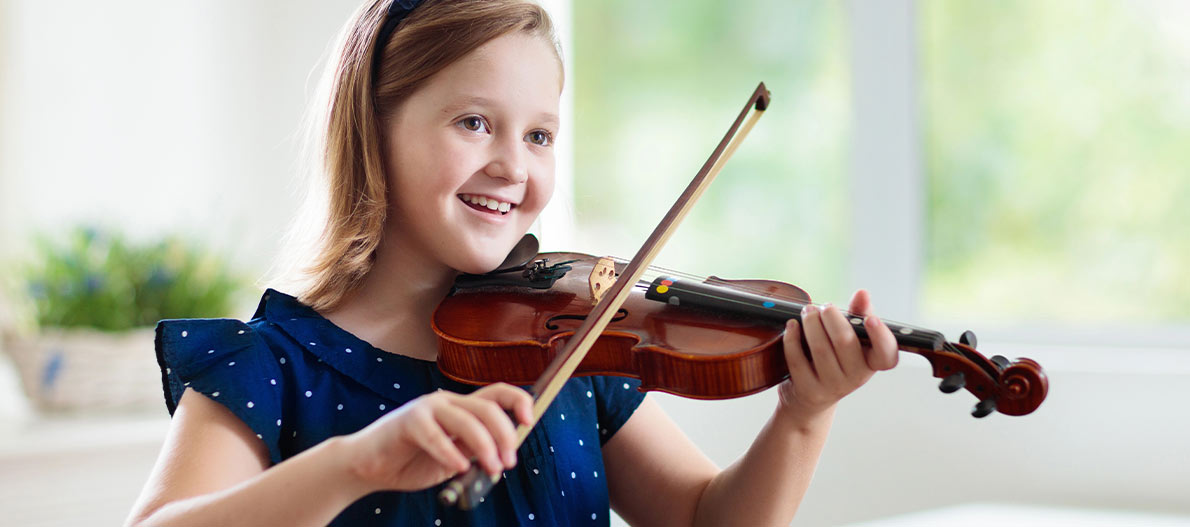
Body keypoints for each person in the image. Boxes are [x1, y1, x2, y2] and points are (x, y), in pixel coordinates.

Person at [125, 0, 899, 525]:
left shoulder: (567, 345)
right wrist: (357, 463)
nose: (513, 167)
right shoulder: (270, 365)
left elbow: (705, 517)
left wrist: (803, 414)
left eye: (539, 136)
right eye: (474, 122)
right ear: (374, 128)